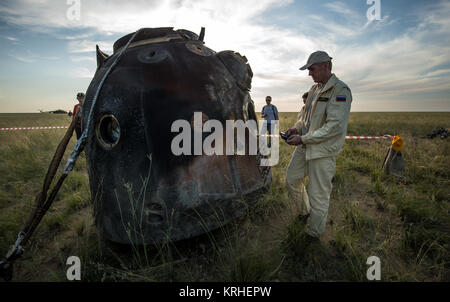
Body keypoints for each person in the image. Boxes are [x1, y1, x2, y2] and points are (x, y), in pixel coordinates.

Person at [285, 51, 353, 241]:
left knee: (318, 194)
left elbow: (334, 127)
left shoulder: (340, 91)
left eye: (312, 69)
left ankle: (314, 234)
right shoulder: (314, 89)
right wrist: (295, 129)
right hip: (305, 145)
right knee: (292, 179)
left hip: (322, 151)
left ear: (325, 66)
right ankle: (304, 212)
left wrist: (304, 139)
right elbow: (304, 118)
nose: (309, 74)